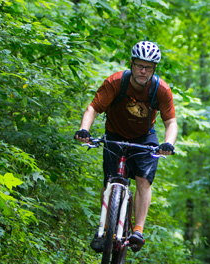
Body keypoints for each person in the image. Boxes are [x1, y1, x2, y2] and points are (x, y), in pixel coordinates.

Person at [74, 41, 178, 252]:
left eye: (148, 67)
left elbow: (171, 122)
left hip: (144, 137)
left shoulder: (161, 90)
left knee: (143, 180)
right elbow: (93, 108)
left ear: (154, 69)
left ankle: (137, 230)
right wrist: (84, 129)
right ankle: (103, 228)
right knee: (110, 179)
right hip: (114, 134)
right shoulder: (115, 82)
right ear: (131, 64)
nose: (143, 70)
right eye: (140, 65)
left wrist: (168, 143)